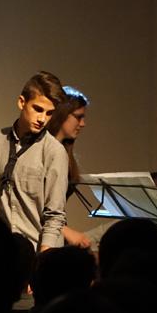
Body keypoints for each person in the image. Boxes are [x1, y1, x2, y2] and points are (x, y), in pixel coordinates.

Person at [0, 71, 69, 252]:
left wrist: (43, 260)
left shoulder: (54, 152)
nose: (42, 119)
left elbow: (55, 216)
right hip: (5, 248)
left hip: (37, 248)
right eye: (38, 109)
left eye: (49, 113)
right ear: (22, 102)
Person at [46, 86, 92, 249]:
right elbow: (33, 204)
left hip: (56, 233)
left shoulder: (64, 152)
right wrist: (65, 231)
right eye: (78, 117)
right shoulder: (41, 151)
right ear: (62, 114)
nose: (83, 124)